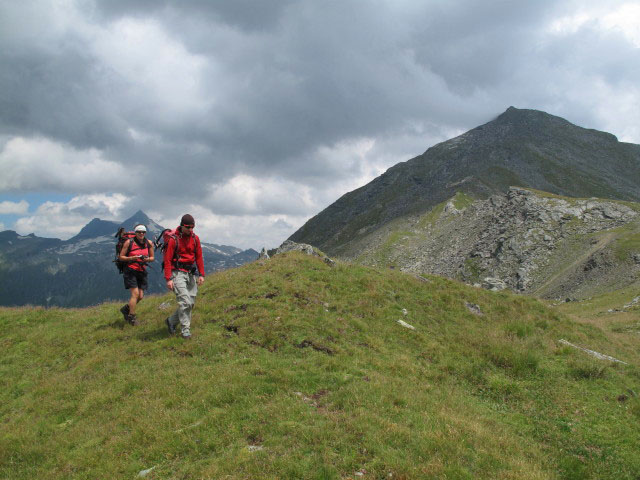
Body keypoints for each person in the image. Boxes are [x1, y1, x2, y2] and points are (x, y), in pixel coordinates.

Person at [164, 214, 205, 339]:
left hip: (191, 273)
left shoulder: (195, 238)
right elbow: (167, 260)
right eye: (188, 227)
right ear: (182, 225)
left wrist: (201, 274)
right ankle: (185, 330)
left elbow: (198, 257)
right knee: (185, 302)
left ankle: (171, 321)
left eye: (193, 227)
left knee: (190, 303)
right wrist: (169, 278)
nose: (190, 230)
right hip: (177, 273)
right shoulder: (173, 240)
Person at [119, 224, 154, 325]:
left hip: (142, 271)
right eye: (139, 232)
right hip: (130, 270)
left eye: (143, 232)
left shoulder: (149, 243)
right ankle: (132, 317)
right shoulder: (128, 242)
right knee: (135, 294)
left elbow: (152, 258)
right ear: (135, 233)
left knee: (141, 296)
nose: (141, 234)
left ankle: (126, 309)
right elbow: (121, 257)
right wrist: (132, 258)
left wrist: (146, 259)